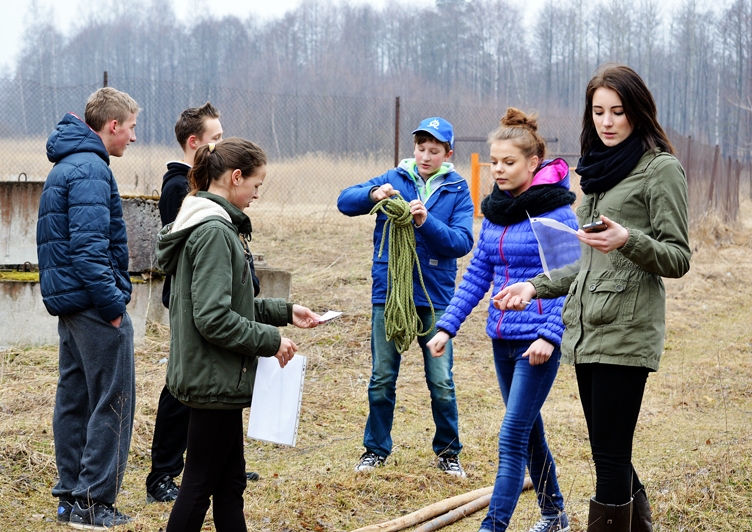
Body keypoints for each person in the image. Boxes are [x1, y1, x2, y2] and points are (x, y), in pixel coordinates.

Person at [494, 64, 690, 531]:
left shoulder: (659, 169)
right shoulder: (599, 173)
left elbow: (678, 257)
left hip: (628, 328)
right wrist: (534, 286)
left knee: (608, 455)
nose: (607, 122)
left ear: (637, 113)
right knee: (609, 448)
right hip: (587, 330)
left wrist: (629, 240)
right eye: (599, 111)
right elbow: (589, 264)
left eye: (618, 112)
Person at [156, 138, 322, 532]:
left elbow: (232, 304)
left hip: (218, 377)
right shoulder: (214, 232)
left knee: (229, 484)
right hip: (214, 377)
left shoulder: (205, 223)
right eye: (256, 185)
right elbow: (213, 318)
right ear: (235, 178)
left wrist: (284, 312)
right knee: (197, 486)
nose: (257, 195)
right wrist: (270, 340)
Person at [427, 108, 575, 532]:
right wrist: (446, 326)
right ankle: (555, 515)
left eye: (509, 162)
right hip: (502, 338)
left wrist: (550, 335)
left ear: (533, 163)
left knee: (511, 436)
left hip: (538, 343)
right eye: (495, 162)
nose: (499, 170)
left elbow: (573, 280)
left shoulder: (557, 212)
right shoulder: (494, 212)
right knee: (529, 433)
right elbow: (477, 274)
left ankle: (493, 526)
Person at [337, 117, 474, 477]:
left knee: (441, 382)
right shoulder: (393, 178)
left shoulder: (458, 189)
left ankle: (448, 452)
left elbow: (461, 242)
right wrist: (373, 195)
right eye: (421, 148)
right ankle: (375, 450)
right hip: (389, 295)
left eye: (434, 150)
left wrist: (425, 222)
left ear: (448, 153)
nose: (426, 156)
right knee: (382, 378)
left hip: (435, 297)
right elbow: (344, 201)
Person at [147, 102, 261, 504]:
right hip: (199, 319)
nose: (220, 144)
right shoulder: (186, 193)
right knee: (182, 397)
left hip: (212, 315)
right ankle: (164, 471)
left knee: (225, 482)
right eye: (215, 139)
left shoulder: (207, 203)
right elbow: (210, 305)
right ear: (194, 143)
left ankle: (217, 461)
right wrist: (269, 338)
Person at [37, 87, 139, 527]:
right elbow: (89, 249)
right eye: (131, 128)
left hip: (71, 305)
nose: (133, 137)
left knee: (74, 398)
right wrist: (114, 305)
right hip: (95, 306)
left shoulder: (68, 164)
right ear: (112, 126)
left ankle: (70, 498)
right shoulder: (92, 170)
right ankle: (94, 503)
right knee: (112, 400)